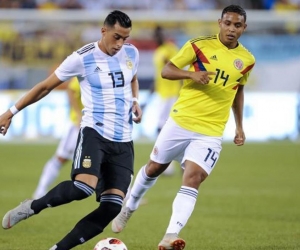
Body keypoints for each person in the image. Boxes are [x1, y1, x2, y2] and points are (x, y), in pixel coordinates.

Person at [111, 5, 255, 250]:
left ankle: (170, 235)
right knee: (155, 168)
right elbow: (167, 70)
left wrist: (239, 126)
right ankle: (130, 206)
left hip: (211, 131)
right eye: (228, 23)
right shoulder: (198, 45)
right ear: (220, 23)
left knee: (193, 178)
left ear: (244, 27)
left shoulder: (247, 60)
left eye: (237, 25)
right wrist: (192, 76)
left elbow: (238, 91)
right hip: (181, 121)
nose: (232, 29)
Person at [0, 10, 142, 250]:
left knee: (112, 207)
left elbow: (133, 78)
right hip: (94, 133)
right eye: (117, 37)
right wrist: (10, 112)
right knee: (82, 187)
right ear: (104, 31)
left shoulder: (132, 53)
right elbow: (45, 87)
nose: (120, 44)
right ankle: (32, 207)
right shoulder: (81, 58)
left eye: (125, 38)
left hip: (124, 140)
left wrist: (136, 101)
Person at [33, 77, 83, 199]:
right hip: (78, 126)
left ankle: (126, 195)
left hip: (95, 126)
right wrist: (77, 113)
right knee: (61, 158)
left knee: (105, 159)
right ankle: (40, 192)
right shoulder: (88, 69)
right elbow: (71, 88)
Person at [152, 25, 181, 176]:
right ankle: (166, 164)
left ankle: (167, 165)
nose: (158, 37)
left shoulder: (171, 48)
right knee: (163, 128)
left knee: (166, 128)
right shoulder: (157, 52)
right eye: (156, 34)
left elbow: (178, 68)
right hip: (162, 95)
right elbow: (159, 75)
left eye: (160, 33)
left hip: (172, 94)